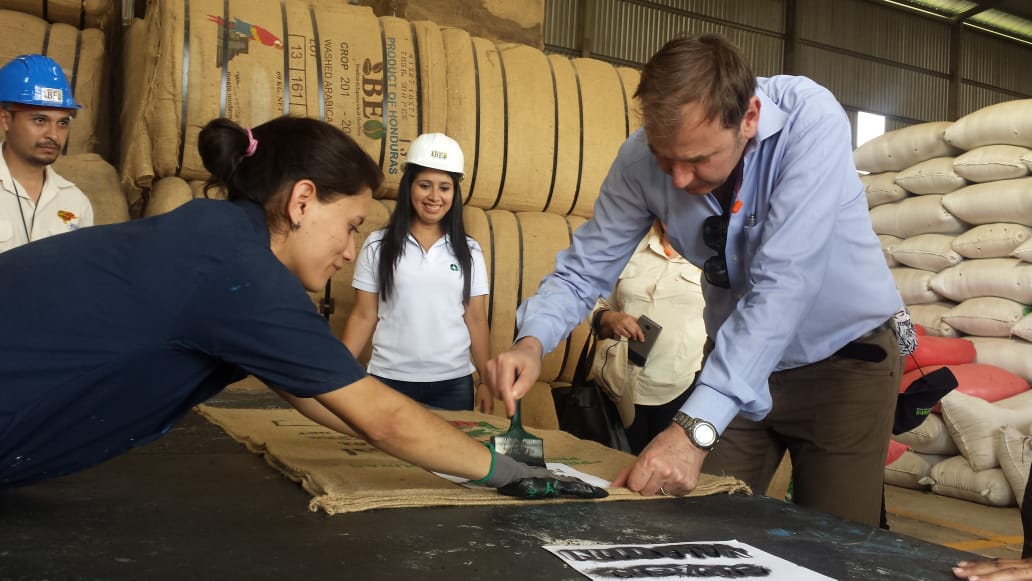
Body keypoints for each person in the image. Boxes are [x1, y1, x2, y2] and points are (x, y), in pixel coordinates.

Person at [0, 115, 604, 501]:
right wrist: (510, 474)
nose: (350, 250)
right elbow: (381, 420)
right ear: (302, 201)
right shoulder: (242, 273)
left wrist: (450, 437)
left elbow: (317, 394)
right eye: (350, 226)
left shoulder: (218, 236)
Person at [486, 33, 908, 527]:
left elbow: (783, 285)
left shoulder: (810, 122)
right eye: (666, 158)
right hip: (733, 360)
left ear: (749, 117)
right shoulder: (639, 161)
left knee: (834, 543)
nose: (679, 181)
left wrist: (692, 431)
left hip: (843, 366)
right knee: (694, 525)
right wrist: (532, 342)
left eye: (698, 160)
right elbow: (585, 269)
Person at [342, 133, 492, 413]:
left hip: (453, 384)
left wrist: (485, 380)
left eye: (444, 188)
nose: (434, 197)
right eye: (425, 185)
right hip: (389, 379)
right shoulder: (378, 245)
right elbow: (363, 315)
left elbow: (476, 318)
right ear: (409, 186)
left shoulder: (469, 250)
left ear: (455, 193)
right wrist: (337, 376)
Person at [590, 219, 706, 454]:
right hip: (618, 384)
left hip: (680, 388)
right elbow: (599, 306)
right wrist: (612, 318)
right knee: (613, 463)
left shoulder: (711, 258)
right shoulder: (631, 247)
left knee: (661, 468)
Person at [0, 54, 93, 253]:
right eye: (40, 120)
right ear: (5, 120)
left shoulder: (76, 202)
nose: (53, 135)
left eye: (62, 123)